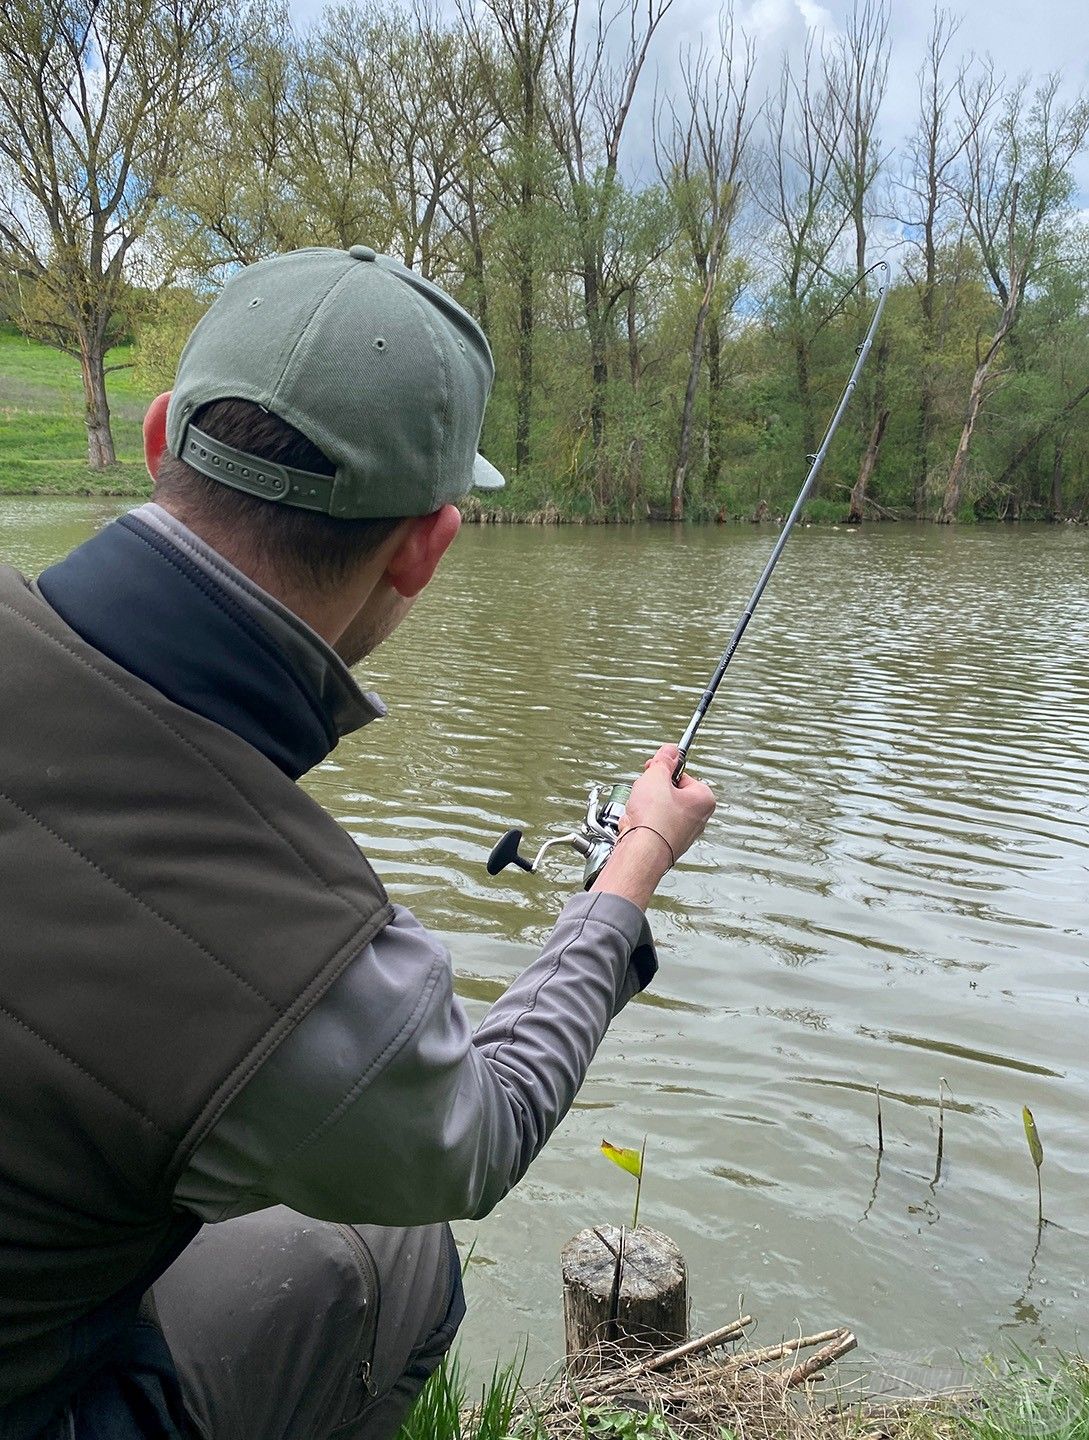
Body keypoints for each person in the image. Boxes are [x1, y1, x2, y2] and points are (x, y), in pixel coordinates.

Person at [0, 245, 715, 1440]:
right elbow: (478, 1133)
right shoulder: (306, 967)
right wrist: (630, 870)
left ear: (161, 434)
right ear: (425, 548)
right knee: (390, 1251)